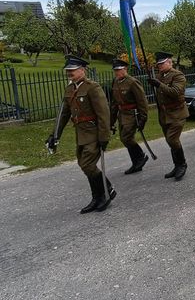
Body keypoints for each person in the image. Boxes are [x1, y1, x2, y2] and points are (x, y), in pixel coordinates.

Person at [46, 56, 115, 214]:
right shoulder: (69, 89)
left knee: (88, 165)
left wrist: (104, 137)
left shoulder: (93, 87)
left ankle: (107, 190)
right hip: (81, 134)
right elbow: (63, 114)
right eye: (68, 71)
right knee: (84, 165)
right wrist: (54, 135)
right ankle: (97, 197)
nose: (69, 73)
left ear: (82, 70)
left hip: (94, 133)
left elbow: (104, 114)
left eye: (72, 70)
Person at [148, 52, 189, 181]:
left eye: (162, 63)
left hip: (177, 113)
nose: (159, 66)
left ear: (170, 62)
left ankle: (182, 164)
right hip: (165, 114)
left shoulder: (178, 75)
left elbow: (175, 92)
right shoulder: (161, 75)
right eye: (158, 64)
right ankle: (177, 166)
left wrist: (159, 84)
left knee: (172, 139)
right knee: (170, 140)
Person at [110, 59, 149, 175]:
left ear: (125, 69)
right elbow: (114, 103)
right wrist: (111, 121)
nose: (117, 73)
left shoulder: (132, 82)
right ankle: (137, 162)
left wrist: (143, 118)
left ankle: (141, 156)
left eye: (119, 70)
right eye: (115, 70)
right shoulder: (115, 82)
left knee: (127, 138)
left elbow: (142, 102)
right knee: (124, 138)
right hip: (122, 114)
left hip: (133, 114)